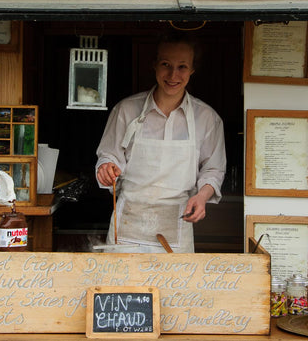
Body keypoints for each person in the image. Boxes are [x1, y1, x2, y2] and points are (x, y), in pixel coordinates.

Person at [95, 32, 226, 253]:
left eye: (182, 66)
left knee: (174, 286)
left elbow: (213, 168)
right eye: (166, 64)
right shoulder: (126, 110)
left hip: (177, 223)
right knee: (122, 286)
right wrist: (106, 168)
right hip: (128, 225)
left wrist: (202, 196)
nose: (173, 74)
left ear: (192, 70)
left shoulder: (207, 118)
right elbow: (108, 156)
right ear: (154, 65)